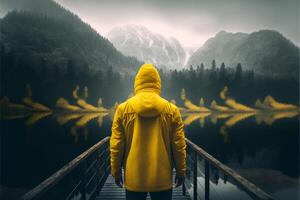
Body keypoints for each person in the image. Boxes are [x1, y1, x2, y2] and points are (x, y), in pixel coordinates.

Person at [110, 63, 186, 200]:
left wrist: (116, 172)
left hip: (134, 179)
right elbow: (179, 145)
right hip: (162, 179)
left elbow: (116, 145)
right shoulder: (172, 110)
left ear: (137, 82)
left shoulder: (122, 110)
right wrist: (181, 172)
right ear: (158, 83)